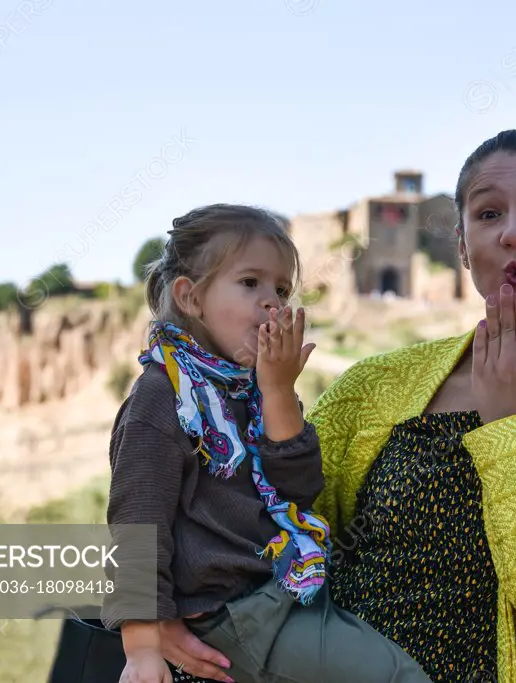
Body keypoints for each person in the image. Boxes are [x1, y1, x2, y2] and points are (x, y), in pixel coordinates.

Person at [156, 131, 516, 683]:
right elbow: (228, 503)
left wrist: (514, 427)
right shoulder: (376, 386)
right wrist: (141, 609)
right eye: (489, 214)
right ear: (461, 245)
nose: (514, 233)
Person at [100, 204, 432, 683]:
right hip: (234, 613)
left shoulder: (254, 389)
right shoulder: (162, 394)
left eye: (280, 289)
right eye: (250, 283)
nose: (272, 302)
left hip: (286, 591)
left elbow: (299, 491)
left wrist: (278, 392)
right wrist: (143, 649)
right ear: (191, 298)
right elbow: (135, 522)